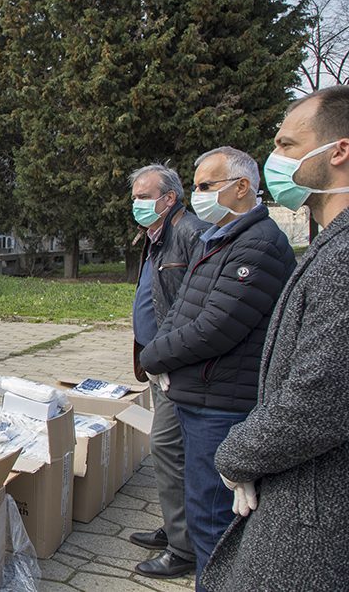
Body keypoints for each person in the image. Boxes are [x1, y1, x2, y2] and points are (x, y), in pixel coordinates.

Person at [201, 86, 349, 591]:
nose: (275, 159)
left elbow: (317, 401)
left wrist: (237, 454)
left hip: (313, 511)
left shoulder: (343, 258)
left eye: (287, 145)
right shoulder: (329, 244)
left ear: (338, 150)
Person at [140, 147, 296, 591]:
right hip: (200, 397)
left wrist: (154, 358)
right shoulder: (219, 238)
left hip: (222, 405)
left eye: (207, 186)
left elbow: (215, 326)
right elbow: (181, 308)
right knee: (202, 507)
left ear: (241, 187)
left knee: (214, 523)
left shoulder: (259, 244)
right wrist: (160, 352)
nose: (198, 195)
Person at [128, 163, 207, 579]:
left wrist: (167, 356)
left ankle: (185, 549)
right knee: (170, 452)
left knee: (168, 449)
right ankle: (177, 527)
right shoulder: (157, 236)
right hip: (161, 366)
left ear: (169, 198)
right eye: (135, 197)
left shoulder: (189, 234)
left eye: (144, 196)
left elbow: (195, 307)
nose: (137, 204)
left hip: (178, 367)